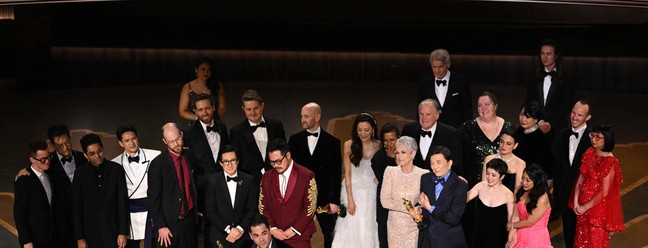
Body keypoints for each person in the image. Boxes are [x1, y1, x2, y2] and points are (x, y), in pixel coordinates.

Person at [458, 91, 512, 246]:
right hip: (475, 190)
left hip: (501, 189)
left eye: (487, 104)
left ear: (495, 106)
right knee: (475, 232)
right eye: (480, 105)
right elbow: (459, 156)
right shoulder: (467, 128)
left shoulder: (508, 127)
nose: (483, 108)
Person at [288, 102, 342, 248]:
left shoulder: (333, 142)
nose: (302, 119)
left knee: (330, 234)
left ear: (317, 117)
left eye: (306, 116)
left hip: (325, 200)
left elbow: (335, 173)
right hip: (301, 198)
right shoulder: (294, 140)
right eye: (301, 116)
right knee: (299, 234)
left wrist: (334, 200)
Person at [182, 93, 230, 247]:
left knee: (225, 227)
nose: (205, 113)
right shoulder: (188, 132)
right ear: (195, 111)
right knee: (206, 231)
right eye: (200, 110)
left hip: (224, 186)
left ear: (214, 108)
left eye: (207, 108)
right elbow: (189, 166)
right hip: (203, 190)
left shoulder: (222, 127)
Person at [569, 125, 625, 248]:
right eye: (592, 135)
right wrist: (576, 201)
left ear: (607, 140)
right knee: (581, 239)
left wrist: (584, 207)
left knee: (595, 242)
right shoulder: (590, 152)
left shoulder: (610, 162)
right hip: (582, 206)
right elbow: (581, 177)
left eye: (598, 137)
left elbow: (604, 192)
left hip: (596, 210)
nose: (593, 139)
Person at [331, 112, 381, 247]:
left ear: (373, 129)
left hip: (372, 191)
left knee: (369, 226)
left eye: (366, 130)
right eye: (359, 130)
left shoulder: (379, 146)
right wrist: (350, 199)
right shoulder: (349, 145)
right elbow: (347, 173)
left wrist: (379, 179)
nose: (363, 134)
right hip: (353, 190)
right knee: (351, 228)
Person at [72, 133, 129, 248]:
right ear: (85, 155)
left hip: (114, 232)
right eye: (92, 154)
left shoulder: (116, 170)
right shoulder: (80, 174)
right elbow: (76, 207)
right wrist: (80, 237)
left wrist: (123, 232)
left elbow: (122, 202)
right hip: (90, 235)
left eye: (100, 151)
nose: (97, 156)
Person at [259, 138, 317, 248]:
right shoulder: (266, 177)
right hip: (275, 237)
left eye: (278, 161)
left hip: (300, 236)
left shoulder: (306, 175)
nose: (276, 165)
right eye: (272, 162)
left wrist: (294, 229)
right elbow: (263, 207)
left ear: (288, 155)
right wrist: (273, 228)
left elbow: (310, 207)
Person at [148, 123, 199, 247]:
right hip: (169, 225)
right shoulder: (158, 164)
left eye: (177, 139)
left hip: (190, 220)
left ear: (181, 134)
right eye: (171, 142)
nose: (176, 144)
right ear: (164, 141)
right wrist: (161, 226)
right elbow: (153, 198)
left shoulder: (190, 155)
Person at [112, 124, 161, 248]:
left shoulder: (155, 156)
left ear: (138, 138)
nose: (131, 143)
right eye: (127, 141)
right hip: (129, 217)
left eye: (133, 139)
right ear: (121, 143)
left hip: (151, 212)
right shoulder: (114, 163)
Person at [551, 100, 592, 247]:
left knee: (585, 237)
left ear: (588, 117)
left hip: (585, 199)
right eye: (573, 113)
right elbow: (557, 168)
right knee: (569, 234)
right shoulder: (561, 136)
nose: (574, 117)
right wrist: (557, 194)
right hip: (564, 195)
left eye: (580, 115)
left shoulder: (593, 140)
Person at [205, 145, 258, 247]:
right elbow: (210, 211)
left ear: (237, 161)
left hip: (243, 236)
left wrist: (240, 229)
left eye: (233, 160)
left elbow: (251, 209)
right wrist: (229, 229)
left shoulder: (249, 180)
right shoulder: (212, 181)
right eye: (226, 161)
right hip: (220, 235)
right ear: (221, 163)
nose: (229, 165)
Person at [379, 136, 429, 248]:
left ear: (413, 154)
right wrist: (409, 209)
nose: (399, 156)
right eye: (397, 153)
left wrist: (419, 209)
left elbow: (426, 201)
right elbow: (384, 201)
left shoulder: (423, 174)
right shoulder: (390, 171)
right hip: (395, 228)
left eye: (403, 152)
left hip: (414, 227)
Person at [415, 146, 468, 248]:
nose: (435, 167)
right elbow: (423, 202)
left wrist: (429, 208)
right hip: (427, 240)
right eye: (432, 163)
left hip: (449, 240)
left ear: (449, 163)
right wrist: (418, 208)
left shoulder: (460, 185)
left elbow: (453, 218)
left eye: (439, 162)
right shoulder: (425, 178)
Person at [230, 89, 286, 183]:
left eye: (255, 108)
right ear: (243, 109)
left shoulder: (276, 125)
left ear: (262, 106)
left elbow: (284, 152)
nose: (252, 113)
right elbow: (236, 161)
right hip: (250, 183)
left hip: (277, 179)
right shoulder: (236, 132)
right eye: (248, 109)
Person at [526, 39, 575, 143]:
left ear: (556, 56)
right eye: (542, 53)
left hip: (558, 129)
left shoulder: (567, 77)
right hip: (536, 127)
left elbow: (567, 104)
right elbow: (530, 101)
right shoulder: (533, 76)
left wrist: (550, 124)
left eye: (548, 54)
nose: (545, 57)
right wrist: (539, 122)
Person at [47, 124, 88, 248]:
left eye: (67, 143)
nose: (65, 148)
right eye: (60, 145)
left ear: (70, 138)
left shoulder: (83, 158)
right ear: (52, 145)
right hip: (61, 223)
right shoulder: (49, 163)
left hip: (83, 219)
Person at [401, 99, 463, 175]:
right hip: (412, 180)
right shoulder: (409, 130)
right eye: (421, 114)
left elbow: (456, 165)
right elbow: (401, 157)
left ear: (437, 115)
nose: (424, 118)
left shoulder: (451, 134)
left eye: (428, 114)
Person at [14, 140, 56, 247]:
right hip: (36, 240)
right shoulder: (24, 181)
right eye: (42, 159)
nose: (47, 161)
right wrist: (26, 241)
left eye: (48, 157)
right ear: (32, 159)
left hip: (54, 237)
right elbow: (19, 214)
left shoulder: (50, 172)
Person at [418, 48, 473, 129]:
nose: (437, 71)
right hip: (433, 130)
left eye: (440, 67)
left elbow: (467, 110)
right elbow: (420, 109)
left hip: (455, 130)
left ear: (448, 64)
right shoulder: (425, 82)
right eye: (434, 67)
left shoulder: (461, 82)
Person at [467, 158, 515, 248]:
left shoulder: (508, 195)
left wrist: (510, 238)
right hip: (478, 236)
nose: (489, 178)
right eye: (487, 174)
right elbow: (463, 199)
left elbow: (511, 221)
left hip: (498, 239)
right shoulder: (480, 186)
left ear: (502, 176)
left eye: (493, 175)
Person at [506, 163, 552, 248]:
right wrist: (512, 234)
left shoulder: (542, 198)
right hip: (520, 234)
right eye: (522, 178)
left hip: (536, 239)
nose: (524, 183)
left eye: (528, 180)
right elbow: (516, 215)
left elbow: (529, 222)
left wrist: (510, 225)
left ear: (536, 181)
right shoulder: (521, 191)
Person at [371, 122, 400, 248]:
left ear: (398, 139)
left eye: (392, 140)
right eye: (386, 140)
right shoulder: (377, 159)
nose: (389, 144)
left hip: (402, 206)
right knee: (385, 241)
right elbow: (387, 181)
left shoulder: (406, 155)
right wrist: (390, 158)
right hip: (385, 208)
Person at [514, 100, 553, 183]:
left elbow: (546, 168)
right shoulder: (519, 131)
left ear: (536, 119)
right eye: (521, 115)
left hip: (530, 181)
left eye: (527, 117)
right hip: (515, 176)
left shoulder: (541, 139)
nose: (523, 119)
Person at [178, 56, 226, 122]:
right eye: (203, 69)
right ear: (196, 70)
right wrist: (201, 119)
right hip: (195, 125)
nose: (206, 73)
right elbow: (182, 112)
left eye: (209, 70)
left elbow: (222, 107)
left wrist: (212, 118)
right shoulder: (188, 87)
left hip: (214, 122)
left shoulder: (217, 86)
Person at [483, 127, 526, 194]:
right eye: (502, 142)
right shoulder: (489, 159)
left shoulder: (520, 163)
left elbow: (517, 190)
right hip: (488, 199)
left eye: (508, 144)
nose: (503, 146)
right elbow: (484, 184)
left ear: (515, 145)